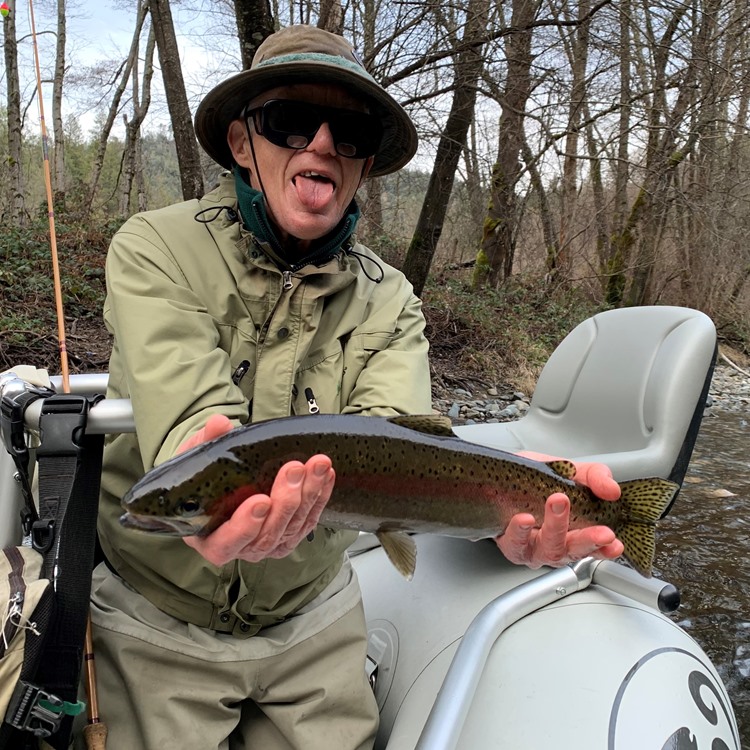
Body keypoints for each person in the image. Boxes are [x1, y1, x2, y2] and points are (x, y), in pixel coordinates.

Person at [84, 24, 623, 750]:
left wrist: (515, 507)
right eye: (290, 120)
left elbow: (404, 443)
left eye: (352, 130)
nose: (321, 145)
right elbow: (193, 420)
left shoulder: (391, 298)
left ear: (365, 163)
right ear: (243, 144)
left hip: (315, 618)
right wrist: (198, 474)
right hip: (158, 616)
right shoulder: (154, 247)